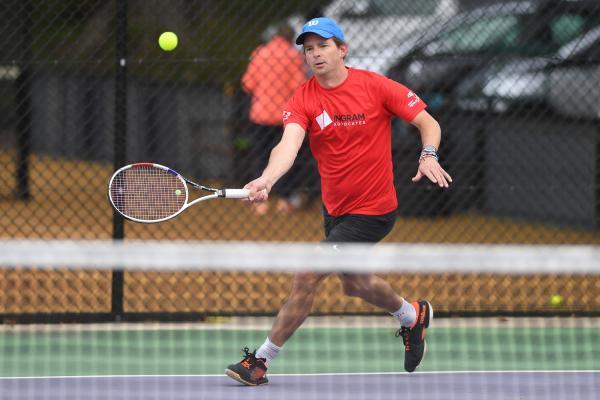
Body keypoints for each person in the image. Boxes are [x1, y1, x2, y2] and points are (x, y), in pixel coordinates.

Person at [226, 17, 452, 386]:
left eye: (323, 46)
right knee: (356, 283)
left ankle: (260, 362)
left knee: (306, 274)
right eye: (308, 48)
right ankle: (412, 316)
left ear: (342, 49)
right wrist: (268, 179)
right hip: (335, 210)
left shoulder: (376, 86)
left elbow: (428, 122)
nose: (315, 54)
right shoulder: (303, 97)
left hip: (374, 210)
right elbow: (288, 144)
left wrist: (429, 155)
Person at [241, 23, 307, 215]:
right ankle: (284, 202)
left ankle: (260, 203)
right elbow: (298, 86)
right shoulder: (293, 56)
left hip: (261, 115)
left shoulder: (261, 52)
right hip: (284, 117)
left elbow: (247, 83)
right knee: (285, 157)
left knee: (261, 156)